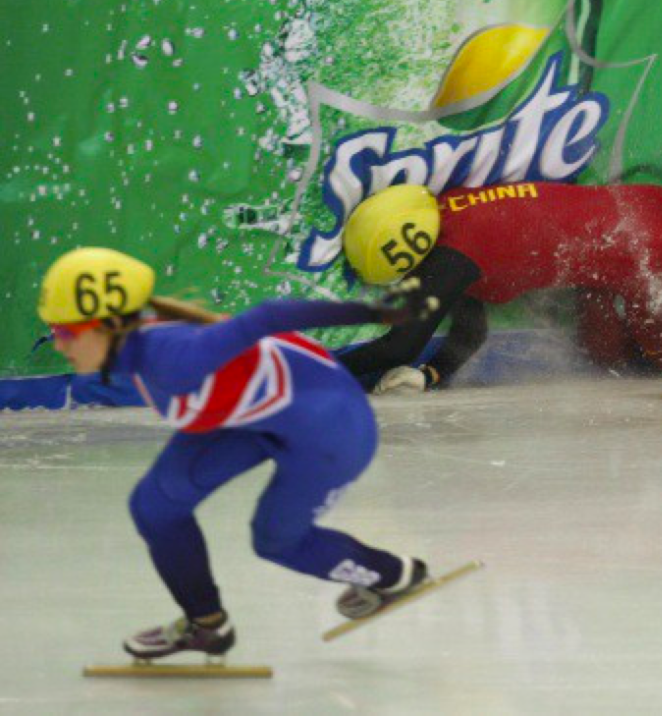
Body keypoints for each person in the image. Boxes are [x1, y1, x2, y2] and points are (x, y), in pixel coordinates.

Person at [37, 247, 437, 660]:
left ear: (106, 326)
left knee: (277, 541)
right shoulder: (141, 348)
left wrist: (375, 311)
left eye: (64, 333)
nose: (57, 344)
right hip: (258, 419)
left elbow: (270, 315)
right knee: (154, 505)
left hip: (329, 428)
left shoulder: (175, 359)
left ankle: (393, 574)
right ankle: (207, 626)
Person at [335, 182, 662, 393]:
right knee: (605, 357)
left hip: (653, 249)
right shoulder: (453, 215)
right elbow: (468, 332)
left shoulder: (452, 261)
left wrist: (320, 368)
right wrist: (432, 374)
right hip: (641, 217)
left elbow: (399, 346)